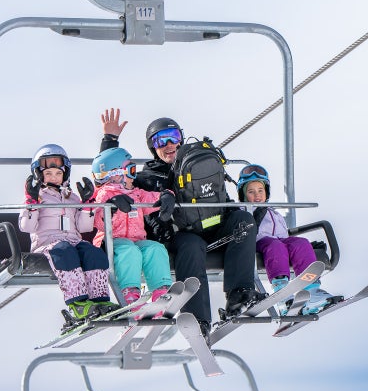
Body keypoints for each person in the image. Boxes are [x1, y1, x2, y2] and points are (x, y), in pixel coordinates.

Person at [98, 108, 259, 336]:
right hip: (177, 235)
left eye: (173, 137)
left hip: (213, 227)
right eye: (160, 140)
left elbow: (221, 198)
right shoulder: (147, 177)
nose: (168, 145)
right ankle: (198, 320)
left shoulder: (198, 163)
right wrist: (110, 140)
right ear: (152, 147)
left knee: (244, 220)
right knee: (192, 245)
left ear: (181, 138)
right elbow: (111, 182)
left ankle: (239, 295)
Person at [19, 143, 118, 330]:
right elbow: (27, 227)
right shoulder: (37, 197)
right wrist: (31, 203)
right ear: (38, 175)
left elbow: (83, 227)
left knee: (93, 252)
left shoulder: (72, 198)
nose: (54, 178)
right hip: (48, 244)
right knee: (64, 251)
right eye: (48, 173)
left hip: (73, 241)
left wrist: (88, 205)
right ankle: (78, 304)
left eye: (58, 173)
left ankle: (99, 300)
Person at [236, 163, 340, 314]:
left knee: (301, 243)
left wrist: (305, 249)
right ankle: (282, 292)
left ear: (266, 192)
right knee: (276, 246)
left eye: (260, 190)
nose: (257, 195)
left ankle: (312, 291)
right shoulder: (242, 212)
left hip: (279, 241)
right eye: (251, 191)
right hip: (259, 243)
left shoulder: (274, 212)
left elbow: (284, 237)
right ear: (243, 195)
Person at [90, 146, 173, 312]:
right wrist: (111, 207)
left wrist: (167, 195)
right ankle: (130, 294)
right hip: (110, 243)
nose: (134, 176)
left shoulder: (136, 193)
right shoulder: (104, 194)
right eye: (131, 171)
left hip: (136, 242)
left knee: (155, 248)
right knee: (129, 250)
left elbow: (153, 199)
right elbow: (97, 221)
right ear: (115, 175)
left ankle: (161, 291)